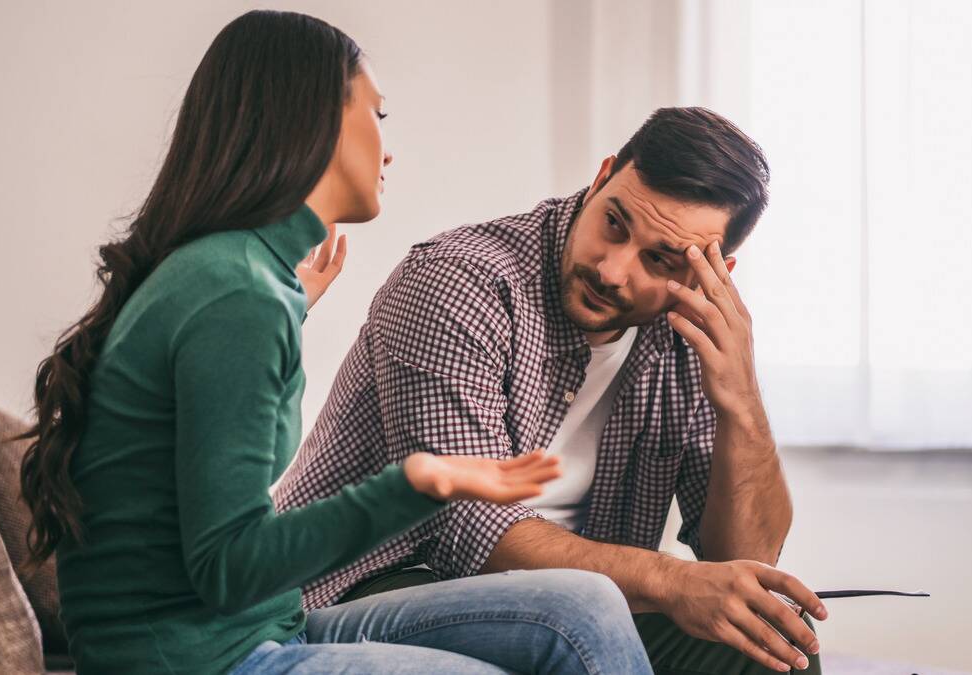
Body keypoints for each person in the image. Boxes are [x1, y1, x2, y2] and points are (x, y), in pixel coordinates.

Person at [18, 10, 652, 675]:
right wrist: (414, 482)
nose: (388, 147)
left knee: (585, 606)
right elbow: (229, 567)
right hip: (188, 656)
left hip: (257, 625)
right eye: (376, 116)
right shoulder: (236, 294)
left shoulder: (240, 280)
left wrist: (282, 318)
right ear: (315, 118)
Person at [274, 106, 829, 674]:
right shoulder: (460, 281)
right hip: (363, 593)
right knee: (574, 611)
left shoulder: (692, 335)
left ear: (714, 272)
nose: (613, 269)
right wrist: (668, 579)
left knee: (774, 638)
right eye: (614, 222)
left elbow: (746, 560)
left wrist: (741, 399)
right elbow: (467, 531)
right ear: (602, 177)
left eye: (658, 259)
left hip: (569, 611)